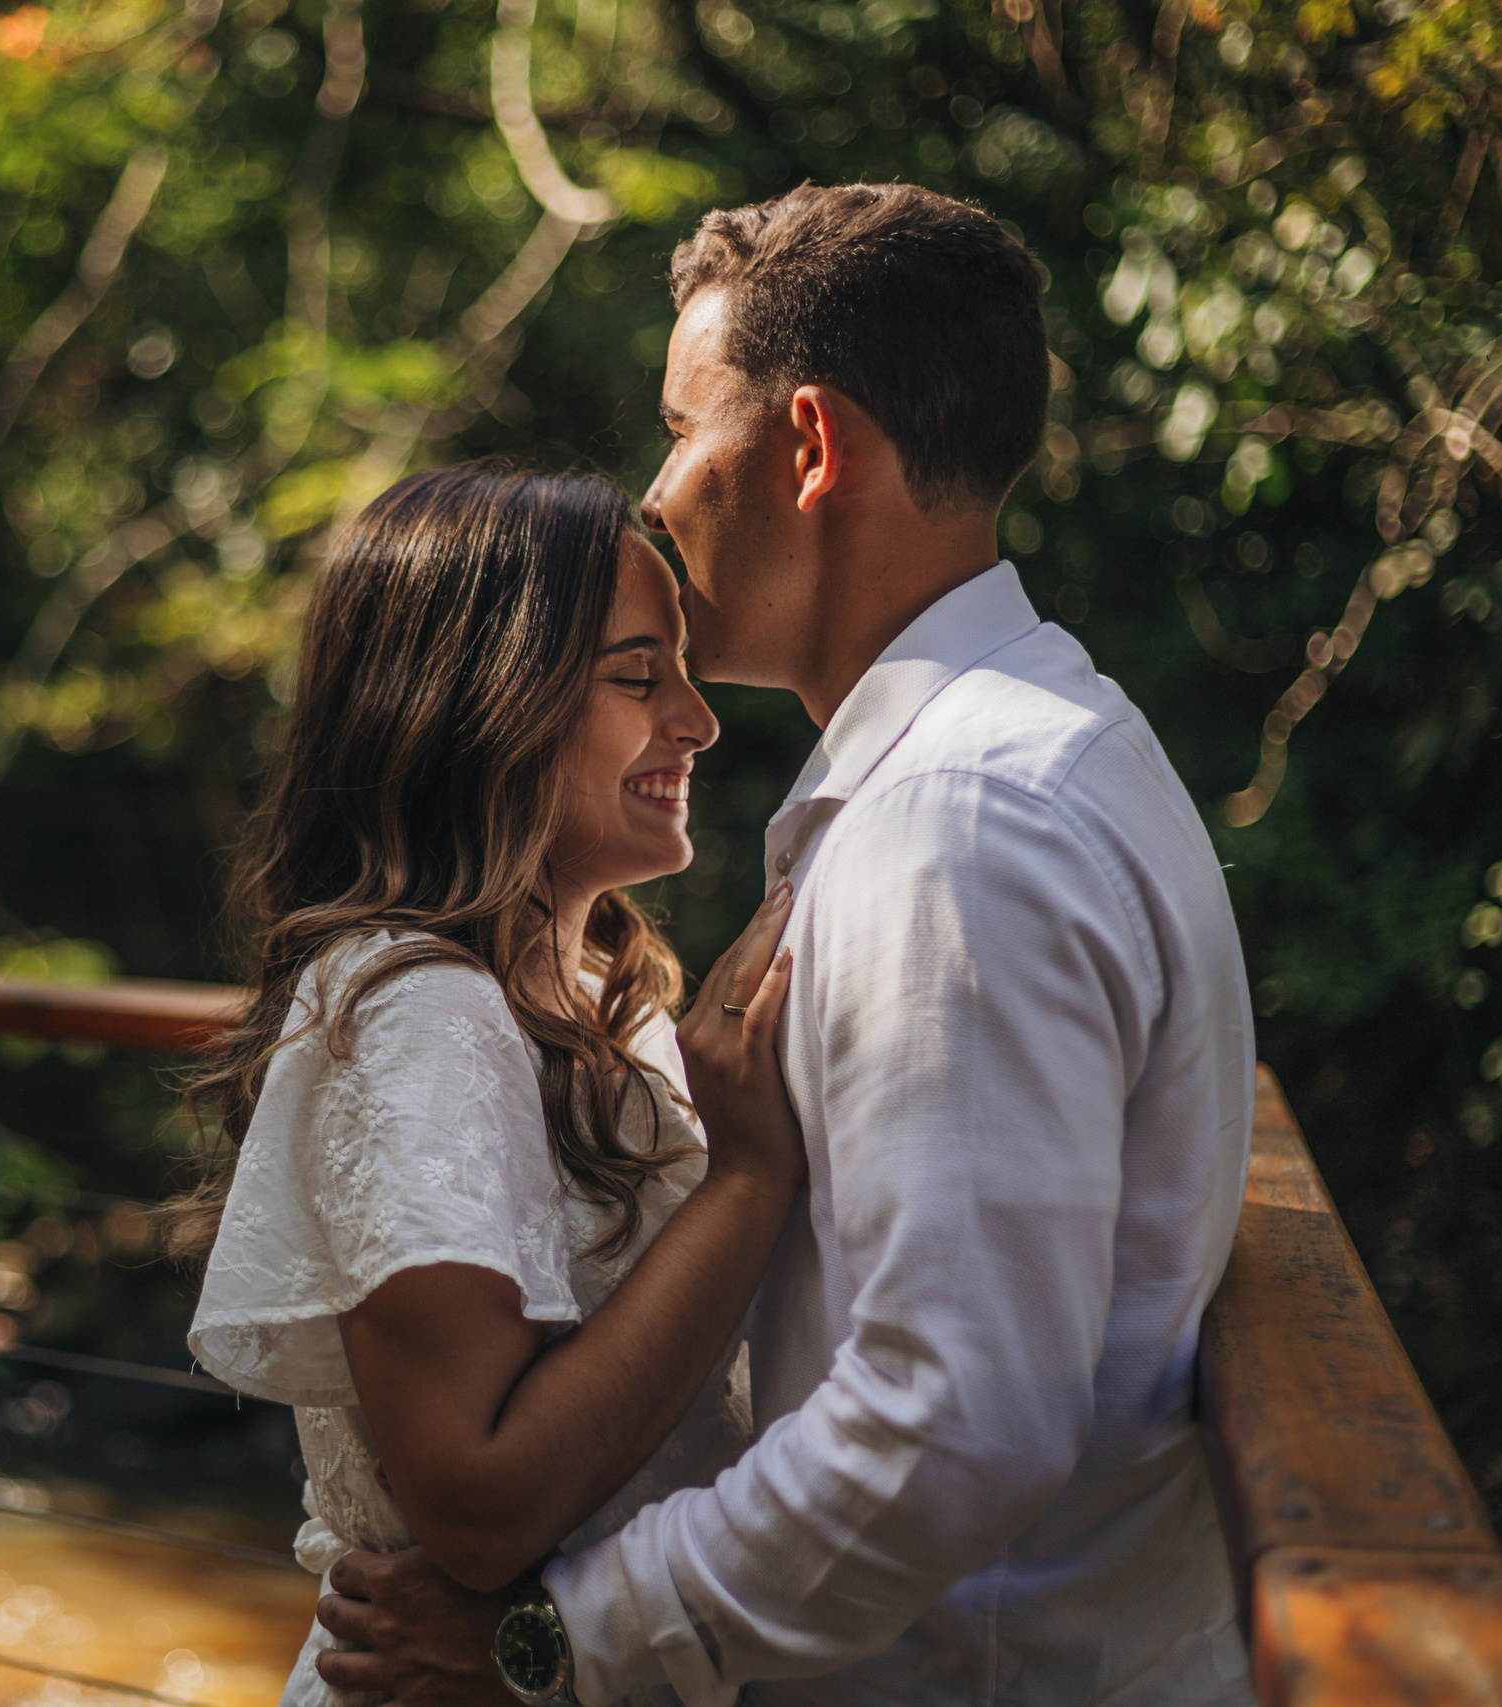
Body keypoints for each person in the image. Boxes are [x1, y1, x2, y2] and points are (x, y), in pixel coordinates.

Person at [310, 184, 1258, 1707]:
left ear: (809, 447)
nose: (660, 490)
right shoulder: (1041, 744)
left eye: (687, 426)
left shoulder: (959, 829)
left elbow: (953, 1416)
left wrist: (557, 1641)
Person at [176, 461, 815, 1707]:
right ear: (483, 707)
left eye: (679, 669)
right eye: (638, 677)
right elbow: (472, 1507)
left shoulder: (586, 997)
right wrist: (748, 1182)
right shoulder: (424, 1010)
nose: (696, 718)